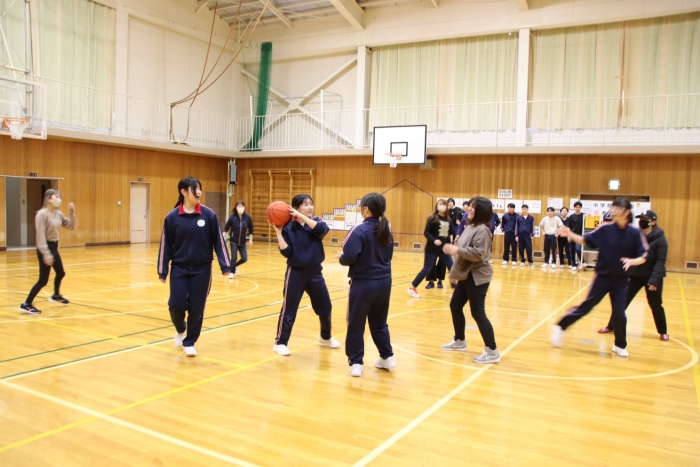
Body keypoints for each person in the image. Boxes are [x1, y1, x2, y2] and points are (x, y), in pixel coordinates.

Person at [551, 197, 648, 357]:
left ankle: (619, 344)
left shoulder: (635, 233)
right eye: (613, 207)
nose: (613, 211)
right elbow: (585, 240)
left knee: (620, 313)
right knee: (587, 305)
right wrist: (570, 233)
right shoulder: (605, 230)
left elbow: (643, 256)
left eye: (617, 208)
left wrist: (632, 261)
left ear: (627, 212)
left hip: (621, 281)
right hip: (602, 277)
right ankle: (560, 326)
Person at [158, 177, 231, 357]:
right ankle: (180, 328)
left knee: (196, 307)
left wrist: (225, 265)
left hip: (202, 270)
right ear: (183, 192)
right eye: (195, 188)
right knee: (176, 304)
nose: (199, 192)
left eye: (199, 188)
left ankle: (189, 342)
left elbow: (219, 241)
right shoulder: (172, 217)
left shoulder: (208, 215)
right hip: (179, 269)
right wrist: (163, 270)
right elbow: (165, 245)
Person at [271, 194, 341, 356]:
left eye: (311, 204)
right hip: (296, 273)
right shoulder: (288, 228)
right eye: (305, 204)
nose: (310, 207)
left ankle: (325, 337)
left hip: (315, 272)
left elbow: (322, 230)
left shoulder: (316, 222)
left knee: (325, 306)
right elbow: (287, 252)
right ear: (296, 208)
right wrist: (279, 233)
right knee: (289, 309)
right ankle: (280, 342)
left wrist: (302, 217)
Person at [339, 193, 395, 377]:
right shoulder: (386, 230)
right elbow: (389, 256)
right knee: (379, 322)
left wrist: (341, 258)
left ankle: (356, 362)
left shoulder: (358, 229)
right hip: (385, 282)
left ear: (366, 209)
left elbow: (349, 257)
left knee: (355, 323)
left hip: (364, 283)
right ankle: (387, 356)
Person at [441, 197, 500, 363]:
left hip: (478, 276)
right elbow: (462, 252)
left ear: (481, 211)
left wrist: (455, 249)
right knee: (455, 305)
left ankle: (492, 351)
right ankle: (459, 340)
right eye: (470, 206)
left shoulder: (483, 230)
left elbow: (478, 254)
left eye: (474, 207)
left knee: (478, 312)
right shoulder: (470, 226)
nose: (469, 209)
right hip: (466, 275)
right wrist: (455, 273)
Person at [598, 210, 669, 341]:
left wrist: (654, 280)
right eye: (640, 219)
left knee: (655, 304)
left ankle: (663, 331)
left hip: (652, 277)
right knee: (621, 303)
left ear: (653, 222)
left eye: (645, 219)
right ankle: (611, 326)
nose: (642, 221)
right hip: (635, 275)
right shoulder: (637, 235)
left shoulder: (661, 240)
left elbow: (660, 262)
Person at [20, 189, 77, 315]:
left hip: (54, 247)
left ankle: (56, 295)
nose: (59, 199)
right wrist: (46, 254)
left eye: (59, 196)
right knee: (43, 280)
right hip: (45, 247)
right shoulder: (41, 215)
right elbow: (40, 236)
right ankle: (26, 304)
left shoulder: (59, 214)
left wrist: (72, 212)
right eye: (56, 196)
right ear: (48, 199)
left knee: (61, 273)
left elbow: (71, 226)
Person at [407, 199, 455, 298]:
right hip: (432, 248)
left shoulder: (448, 220)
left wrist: (451, 245)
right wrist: (434, 240)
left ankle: (455, 290)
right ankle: (412, 288)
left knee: (452, 267)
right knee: (427, 269)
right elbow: (426, 232)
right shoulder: (432, 218)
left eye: (443, 204)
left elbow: (451, 233)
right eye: (440, 204)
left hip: (444, 249)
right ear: (437, 206)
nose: (441, 206)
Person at [224, 200, 254, 279]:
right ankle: (232, 272)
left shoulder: (247, 218)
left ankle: (233, 266)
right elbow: (226, 228)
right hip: (234, 241)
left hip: (242, 242)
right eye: (239, 206)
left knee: (244, 258)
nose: (241, 208)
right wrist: (223, 235)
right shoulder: (232, 217)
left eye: (242, 206)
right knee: (234, 258)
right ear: (236, 208)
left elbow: (251, 229)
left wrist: (250, 240)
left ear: (244, 207)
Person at [568, 201, 584, 270]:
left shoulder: (584, 216)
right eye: (576, 207)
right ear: (574, 208)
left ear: (581, 208)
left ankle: (583, 262)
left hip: (580, 237)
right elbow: (568, 227)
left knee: (578, 249)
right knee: (572, 251)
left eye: (579, 207)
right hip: (572, 236)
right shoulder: (571, 217)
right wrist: (569, 236)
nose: (577, 208)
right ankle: (573, 265)